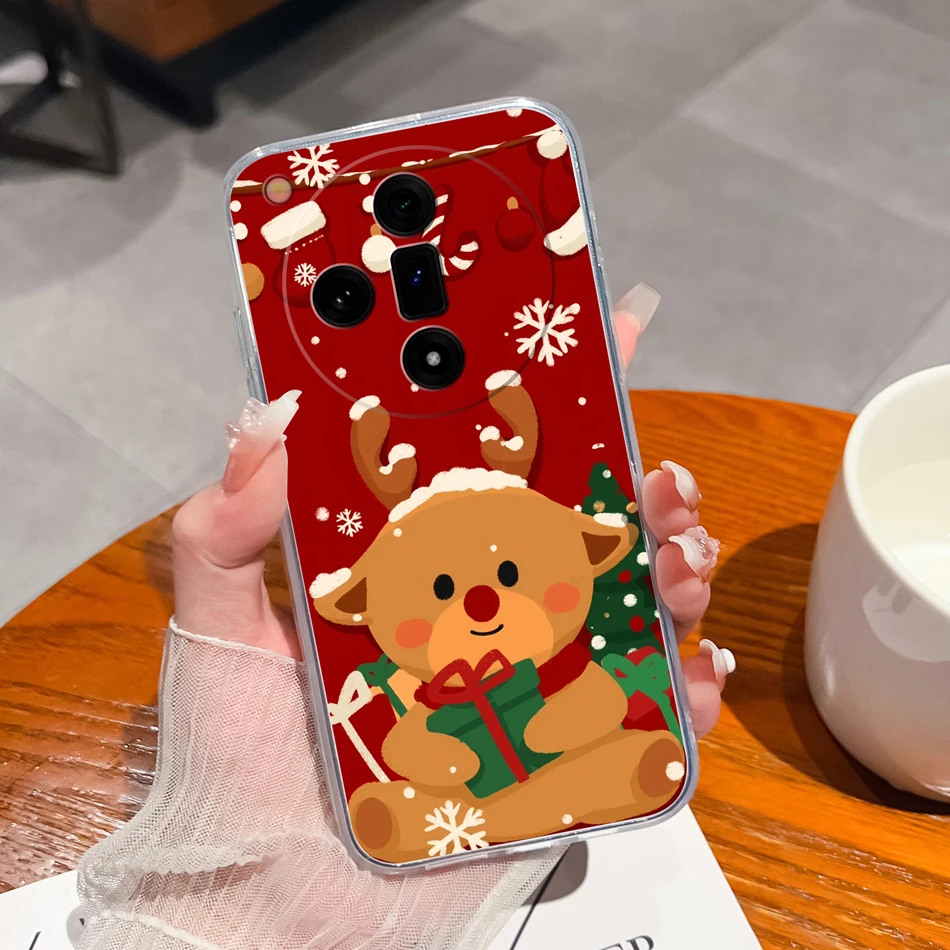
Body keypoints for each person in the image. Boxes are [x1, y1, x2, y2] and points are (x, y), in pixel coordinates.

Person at [75, 290, 734, 950]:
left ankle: (580, 780)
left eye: (510, 574)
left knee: (607, 734)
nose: (480, 603)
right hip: (461, 800)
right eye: (443, 589)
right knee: (412, 807)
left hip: (541, 763)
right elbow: (409, 746)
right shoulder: (427, 695)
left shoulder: (562, 664)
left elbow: (595, 697)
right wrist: (260, 895)